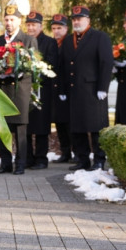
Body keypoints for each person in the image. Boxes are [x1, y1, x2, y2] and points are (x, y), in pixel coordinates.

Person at [0, 2, 36, 175]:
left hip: (20, 91)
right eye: (6, 19)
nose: (9, 23)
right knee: (2, 128)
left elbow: (34, 66)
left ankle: (20, 164)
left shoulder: (28, 40)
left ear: (19, 21)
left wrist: (20, 72)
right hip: (2, 91)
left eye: (12, 20)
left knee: (21, 129)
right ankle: (5, 163)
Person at [58, 5, 112, 171]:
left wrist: (103, 87)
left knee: (96, 127)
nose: (76, 22)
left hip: (93, 91)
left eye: (79, 19)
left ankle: (99, 160)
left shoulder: (99, 37)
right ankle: (82, 160)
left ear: (88, 20)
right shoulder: (68, 40)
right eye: (74, 19)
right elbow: (62, 66)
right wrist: (62, 89)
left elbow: (106, 62)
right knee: (77, 128)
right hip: (75, 91)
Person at [24, 11, 57, 169]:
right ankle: (28, 158)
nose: (30, 28)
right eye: (28, 25)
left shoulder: (50, 42)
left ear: (40, 26)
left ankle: (42, 159)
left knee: (42, 126)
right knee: (27, 125)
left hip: (43, 89)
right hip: (25, 90)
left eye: (33, 25)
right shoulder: (22, 41)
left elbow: (52, 63)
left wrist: (37, 73)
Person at [49, 13, 73, 162]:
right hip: (56, 89)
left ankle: (75, 151)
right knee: (59, 122)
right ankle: (65, 152)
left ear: (66, 28)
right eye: (54, 28)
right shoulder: (53, 44)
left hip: (68, 89)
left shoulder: (70, 43)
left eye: (59, 28)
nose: (56, 31)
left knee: (70, 123)